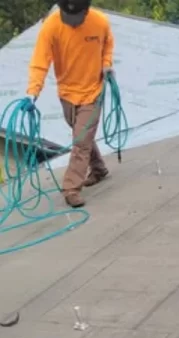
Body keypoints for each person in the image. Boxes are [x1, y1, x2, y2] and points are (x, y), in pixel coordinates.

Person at [26, 0, 115, 208]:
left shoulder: (100, 22)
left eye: (77, 18)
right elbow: (40, 62)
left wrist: (106, 65)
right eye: (68, 17)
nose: (73, 23)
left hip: (93, 91)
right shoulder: (51, 26)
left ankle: (71, 188)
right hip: (66, 93)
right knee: (81, 135)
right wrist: (32, 92)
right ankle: (99, 168)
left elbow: (108, 44)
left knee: (81, 140)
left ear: (86, 9)